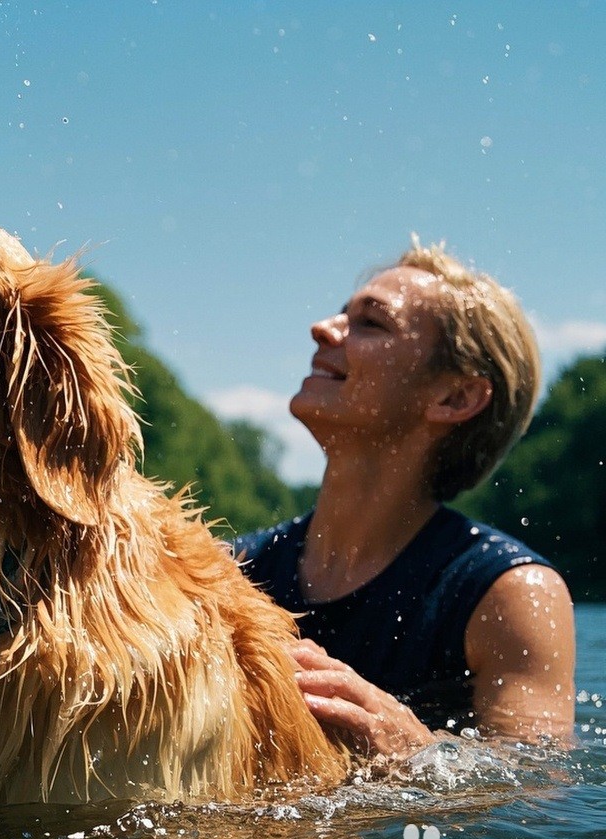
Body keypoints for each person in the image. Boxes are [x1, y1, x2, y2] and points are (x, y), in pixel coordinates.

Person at [235, 241, 576, 759]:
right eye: (342, 313)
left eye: (371, 323)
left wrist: (418, 749)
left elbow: (540, 780)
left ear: (454, 398)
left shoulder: (510, 594)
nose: (322, 328)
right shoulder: (234, 569)